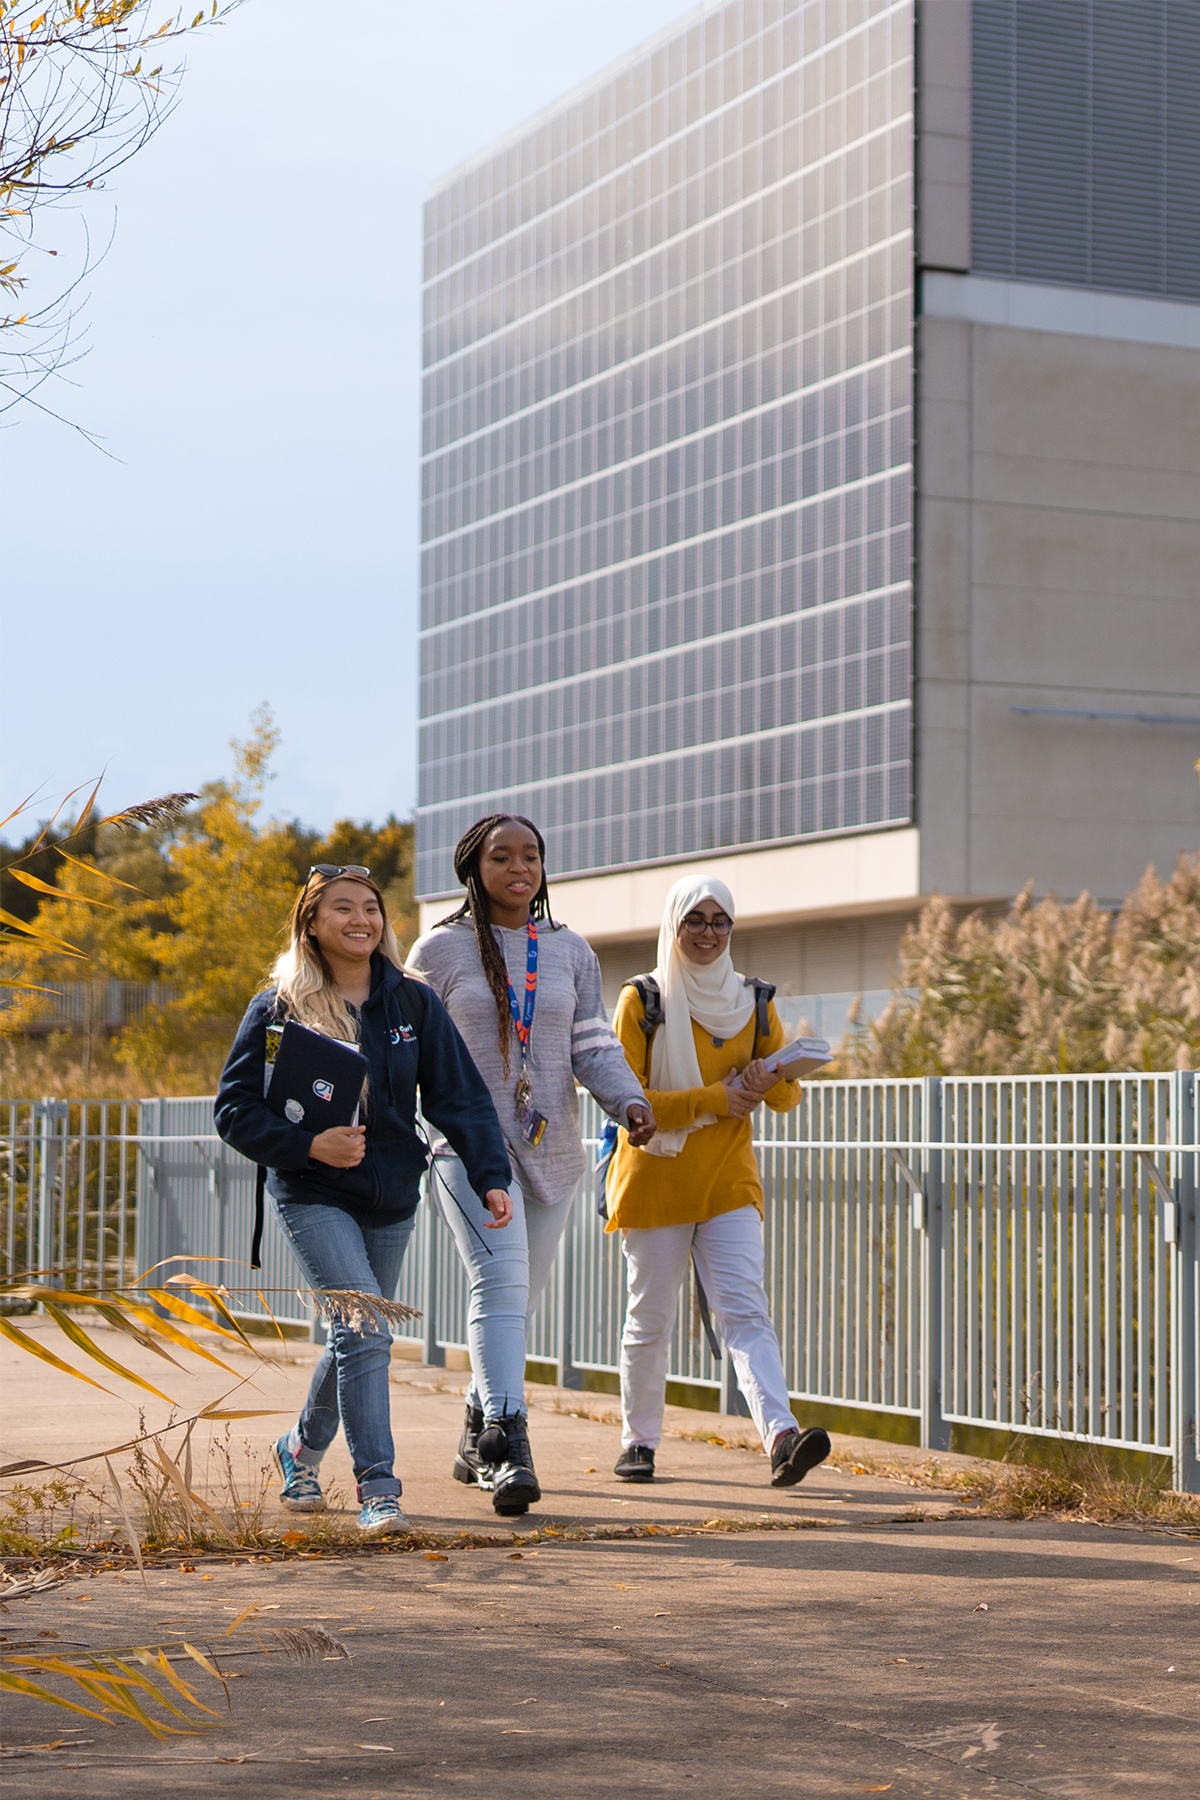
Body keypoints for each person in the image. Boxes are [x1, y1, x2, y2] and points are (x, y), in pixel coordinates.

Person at [215, 864, 513, 1538]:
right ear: (311, 923)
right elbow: (233, 1111)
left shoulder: (412, 1002)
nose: (361, 920)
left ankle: (299, 1450)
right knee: (367, 1329)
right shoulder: (278, 1008)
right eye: (343, 909)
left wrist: (491, 1173)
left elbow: (458, 1094)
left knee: (355, 1336)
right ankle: (378, 1487)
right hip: (312, 1192)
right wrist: (309, 1147)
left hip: (391, 1196)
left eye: (371, 909)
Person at [408, 815, 656, 1515]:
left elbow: (593, 1045)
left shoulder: (569, 950)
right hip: (468, 1147)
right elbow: (408, 1048)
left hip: (552, 1146)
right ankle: (506, 1445)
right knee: (499, 1283)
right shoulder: (440, 951)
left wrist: (629, 1103)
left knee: (521, 1302)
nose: (520, 868)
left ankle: (470, 1433)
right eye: (502, 857)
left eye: (532, 856)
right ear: (472, 867)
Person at [604, 873, 831, 1488]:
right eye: (695, 920)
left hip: (729, 1181)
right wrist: (714, 1099)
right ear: (674, 926)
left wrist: (766, 1080)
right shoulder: (642, 1001)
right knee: (650, 1317)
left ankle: (781, 1436)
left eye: (720, 920)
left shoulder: (754, 1001)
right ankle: (639, 1441)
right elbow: (623, 1097)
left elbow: (786, 1098)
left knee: (746, 1312)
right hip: (656, 1179)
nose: (708, 932)